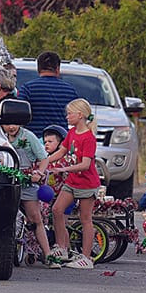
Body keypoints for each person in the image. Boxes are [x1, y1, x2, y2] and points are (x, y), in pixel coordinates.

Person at [46, 98, 99, 269]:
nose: (67, 117)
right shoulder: (72, 133)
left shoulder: (89, 138)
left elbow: (85, 164)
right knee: (57, 209)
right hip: (72, 182)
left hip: (87, 184)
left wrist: (63, 170)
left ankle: (87, 257)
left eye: (70, 113)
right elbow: (61, 151)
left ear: (80, 115)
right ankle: (62, 247)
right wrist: (45, 160)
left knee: (85, 219)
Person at [4, 112, 51, 266]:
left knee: (35, 218)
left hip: (27, 180)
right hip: (6, 179)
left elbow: (44, 158)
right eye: (7, 123)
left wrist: (39, 172)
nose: (11, 127)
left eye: (15, 123)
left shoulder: (28, 136)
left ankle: (48, 255)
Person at [18, 52, 78, 141]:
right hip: (62, 143)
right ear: (57, 69)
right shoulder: (70, 91)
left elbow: (19, 116)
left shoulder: (27, 89)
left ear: (38, 69)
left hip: (33, 142)